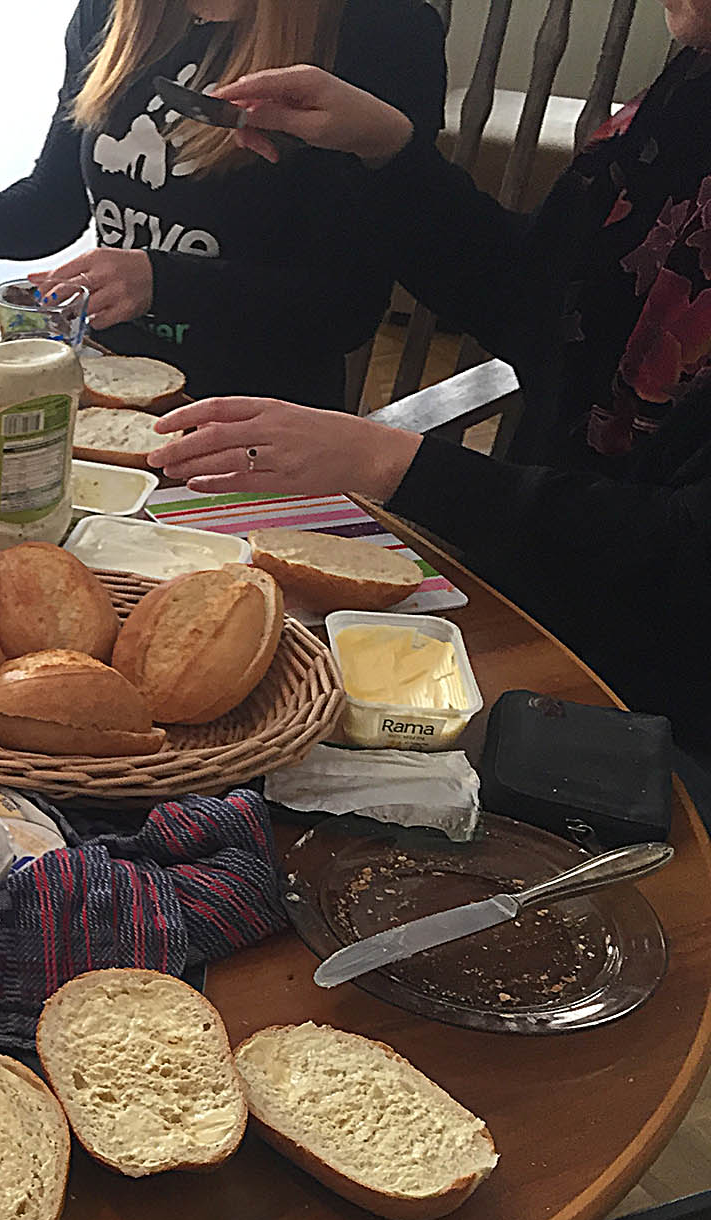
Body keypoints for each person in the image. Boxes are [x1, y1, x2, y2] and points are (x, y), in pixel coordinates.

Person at [143, 0, 711, 758]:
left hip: (665, 699)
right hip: (548, 589)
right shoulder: (689, 87)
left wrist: (391, 463)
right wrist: (385, 151)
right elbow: (536, 302)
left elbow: (684, 562)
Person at [0, 0, 445, 409]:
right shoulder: (110, 14)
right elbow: (56, 201)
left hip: (259, 412)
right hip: (103, 378)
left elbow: (342, 310)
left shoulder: (383, 29)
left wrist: (164, 283)